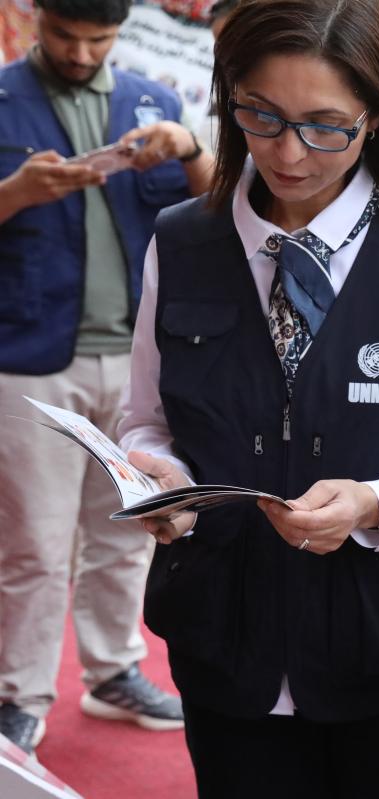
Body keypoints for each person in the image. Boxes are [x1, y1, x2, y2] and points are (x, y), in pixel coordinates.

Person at [114, 0, 379, 795]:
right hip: (229, 648)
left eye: (325, 125)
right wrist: (155, 474)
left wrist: (372, 503)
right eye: (262, 116)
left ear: (376, 117)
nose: (289, 153)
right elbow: (147, 415)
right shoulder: (183, 241)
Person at [0, 0, 215, 754]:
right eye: (66, 35)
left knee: (126, 529)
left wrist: (189, 145)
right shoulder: (2, 98)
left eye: (100, 38)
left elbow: (222, 208)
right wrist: (13, 194)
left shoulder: (152, 103)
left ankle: (114, 667)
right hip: (25, 359)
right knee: (32, 543)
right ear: (36, 21)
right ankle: (17, 693)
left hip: (137, 361)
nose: (83, 52)